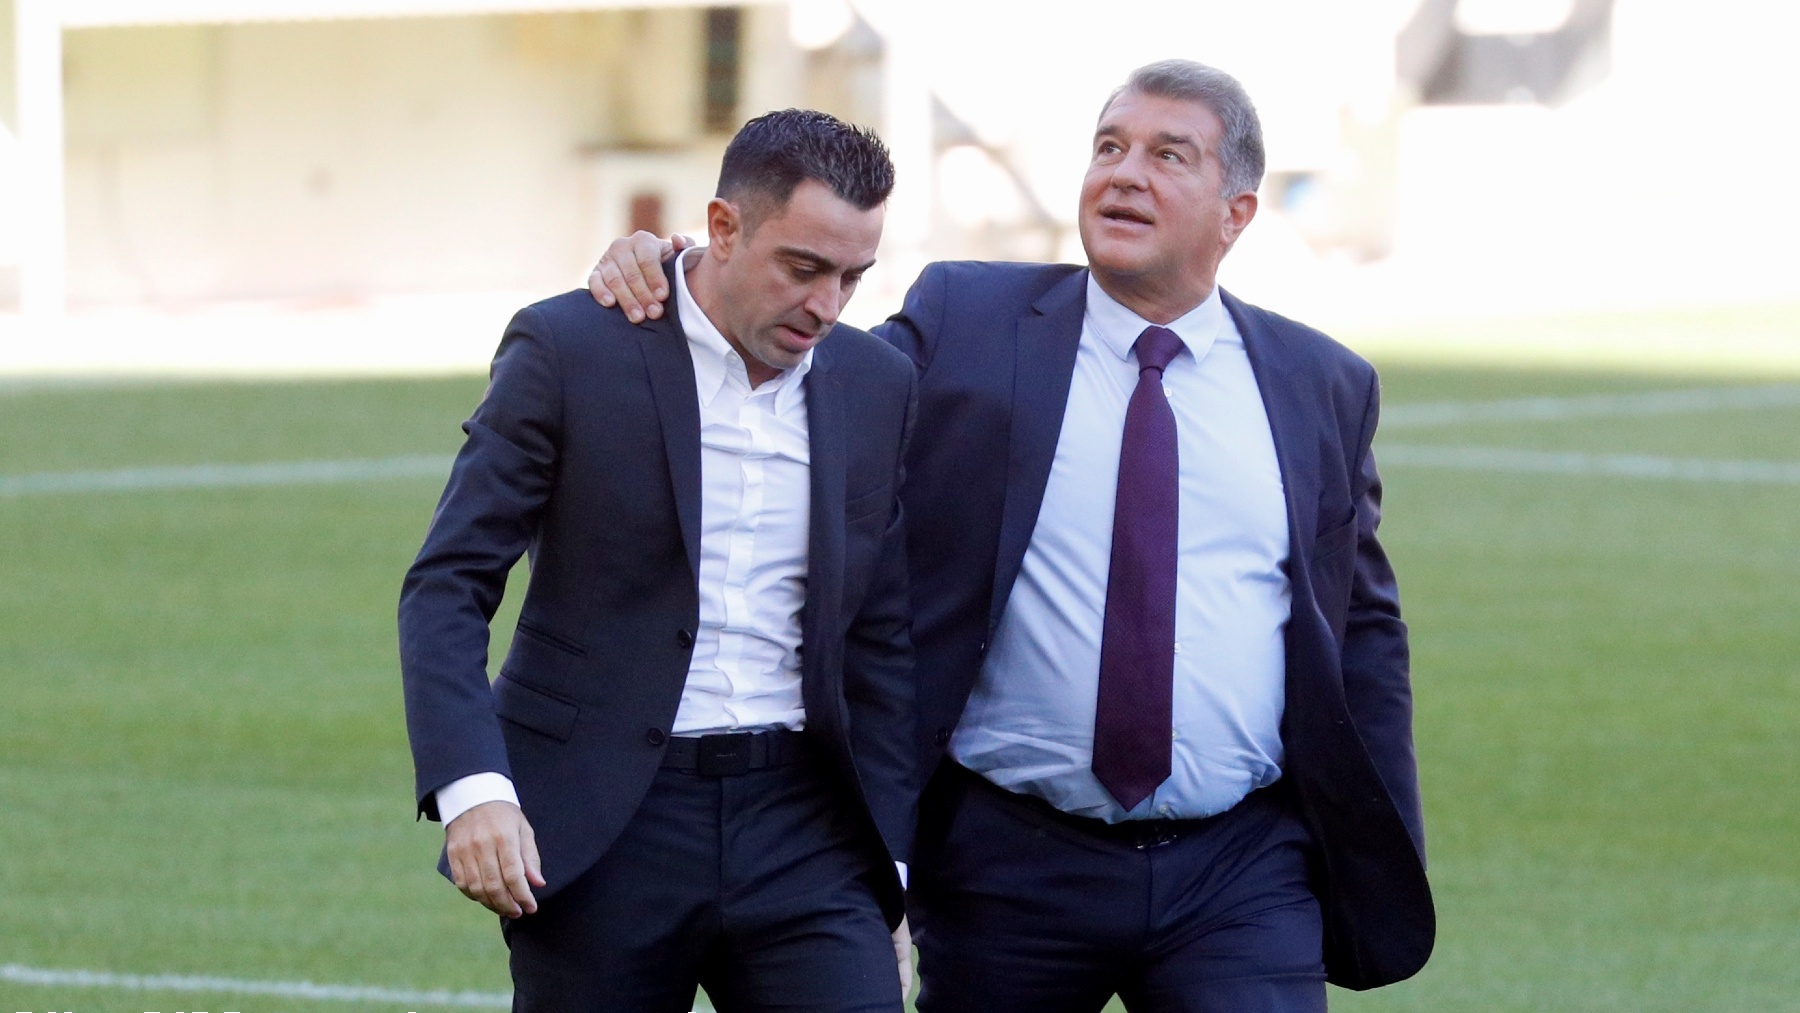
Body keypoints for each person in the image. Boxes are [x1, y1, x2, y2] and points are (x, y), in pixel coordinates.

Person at [589, 60, 1432, 1012]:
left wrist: (1378, 844)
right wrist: (683, 267)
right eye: (1108, 146)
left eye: (1167, 155)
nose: (1123, 173)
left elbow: (1361, 632)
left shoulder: (1320, 383)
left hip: (1237, 869)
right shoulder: (970, 321)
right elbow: (802, 367)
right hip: (1008, 864)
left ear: (1236, 212)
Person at [400, 108, 920, 1012]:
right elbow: (448, 583)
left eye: (852, 277)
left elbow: (879, 635)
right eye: (803, 268)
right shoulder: (569, 350)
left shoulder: (878, 383)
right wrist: (473, 788)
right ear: (722, 227)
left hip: (808, 827)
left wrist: (895, 861)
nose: (827, 305)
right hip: (606, 823)